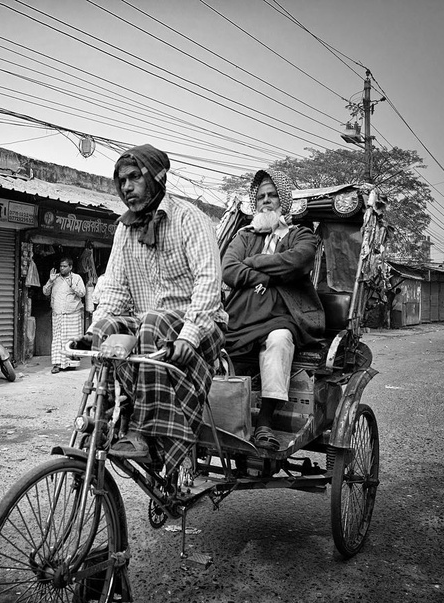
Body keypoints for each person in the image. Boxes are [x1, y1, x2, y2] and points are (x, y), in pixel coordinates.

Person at [84, 144, 227, 475]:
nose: (127, 187)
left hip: (200, 328)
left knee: (151, 323)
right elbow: (117, 290)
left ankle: (144, 433)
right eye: (121, 181)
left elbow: (208, 286)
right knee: (109, 332)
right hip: (152, 329)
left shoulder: (189, 219)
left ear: (157, 178)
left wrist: (190, 336)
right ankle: (107, 418)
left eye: (134, 177)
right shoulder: (124, 228)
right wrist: (94, 332)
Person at [221, 169, 324, 450]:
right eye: (262, 197)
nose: (266, 201)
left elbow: (297, 262)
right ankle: (224, 421)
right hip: (241, 318)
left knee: (278, 340)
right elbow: (229, 270)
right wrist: (269, 273)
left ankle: (265, 423)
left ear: (284, 202)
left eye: (273, 196)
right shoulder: (244, 236)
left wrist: (252, 263)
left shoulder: (301, 235)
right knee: (212, 346)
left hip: (284, 317)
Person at [43, 256, 86, 374]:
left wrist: (72, 285)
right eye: (61, 266)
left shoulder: (77, 278)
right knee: (58, 340)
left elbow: (82, 293)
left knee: (71, 339)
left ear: (70, 267)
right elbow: (45, 292)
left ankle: (71, 364)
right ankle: (57, 364)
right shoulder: (55, 278)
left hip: (73, 313)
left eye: (65, 266)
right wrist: (50, 281)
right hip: (58, 314)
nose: (62, 268)